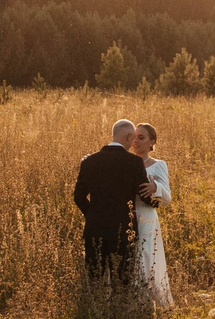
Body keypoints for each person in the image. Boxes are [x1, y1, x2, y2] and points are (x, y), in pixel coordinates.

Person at [73, 118, 150, 284]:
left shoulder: (89, 161)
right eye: (134, 138)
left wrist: (92, 214)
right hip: (123, 231)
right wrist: (158, 198)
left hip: (95, 229)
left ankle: (94, 309)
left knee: (95, 279)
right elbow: (144, 195)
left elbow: (78, 197)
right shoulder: (134, 162)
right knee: (122, 280)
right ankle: (119, 310)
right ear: (129, 137)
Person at [130, 122, 173, 307]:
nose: (136, 141)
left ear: (151, 141)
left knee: (147, 255)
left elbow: (168, 197)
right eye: (134, 137)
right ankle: (132, 303)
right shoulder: (126, 162)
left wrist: (156, 188)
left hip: (147, 216)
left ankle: (153, 302)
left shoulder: (158, 165)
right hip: (128, 216)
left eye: (141, 138)